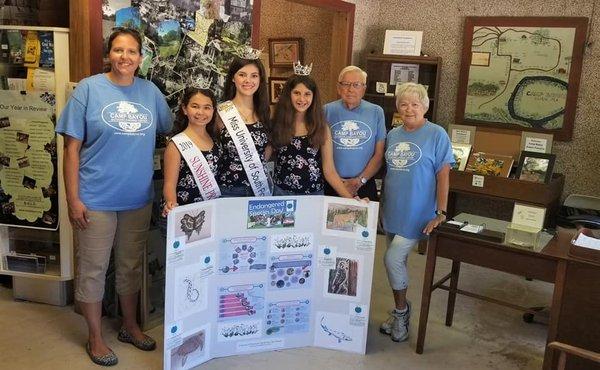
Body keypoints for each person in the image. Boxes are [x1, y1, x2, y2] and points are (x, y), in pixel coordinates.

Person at [56, 28, 172, 366]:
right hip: (95, 197)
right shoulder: (89, 90)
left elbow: (169, 131)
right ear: (109, 54)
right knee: (93, 269)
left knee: (130, 265)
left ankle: (130, 325)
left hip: (137, 197)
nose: (125, 57)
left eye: (132, 51)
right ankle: (94, 336)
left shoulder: (150, 92)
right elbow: (70, 150)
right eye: (118, 50)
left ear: (141, 58)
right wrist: (72, 199)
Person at [379, 82, 454, 343]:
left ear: (425, 106)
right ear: (397, 107)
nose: (409, 109)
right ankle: (400, 307)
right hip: (392, 210)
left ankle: (401, 313)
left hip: (418, 213)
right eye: (403, 103)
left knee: (391, 259)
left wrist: (441, 211)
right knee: (395, 265)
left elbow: (443, 174)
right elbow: (388, 172)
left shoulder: (437, 134)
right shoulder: (393, 134)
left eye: (414, 103)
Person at [270, 72, 354, 198]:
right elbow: (263, 157)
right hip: (282, 194)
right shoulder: (277, 124)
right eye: (297, 93)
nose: (302, 99)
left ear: (313, 97)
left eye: (307, 94)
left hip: (314, 194)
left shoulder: (321, 127)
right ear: (289, 95)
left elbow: (329, 171)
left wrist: (351, 199)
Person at [323, 66, 386, 200]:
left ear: (363, 88)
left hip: (364, 184)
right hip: (332, 184)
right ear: (338, 87)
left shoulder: (376, 112)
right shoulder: (326, 111)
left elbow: (379, 154)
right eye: (346, 84)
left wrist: (360, 180)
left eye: (356, 85)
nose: (350, 89)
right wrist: (338, 183)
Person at [216, 55, 272, 197]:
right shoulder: (220, 113)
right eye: (242, 75)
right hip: (228, 189)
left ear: (260, 79)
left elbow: (267, 149)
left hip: (259, 188)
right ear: (233, 78)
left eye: (254, 76)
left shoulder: (265, 112)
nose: (248, 80)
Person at [162, 87, 221, 216]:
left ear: (213, 110)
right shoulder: (176, 144)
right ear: (184, 109)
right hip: (184, 213)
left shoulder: (215, 140)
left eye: (207, 107)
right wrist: (172, 207)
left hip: (208, 212)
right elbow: (169, 185)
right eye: (195, 106)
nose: (201, 112)